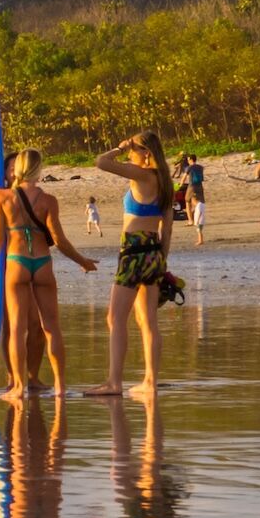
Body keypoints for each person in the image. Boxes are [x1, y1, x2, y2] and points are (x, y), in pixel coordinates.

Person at [0, 149, 98, 401]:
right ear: (38, 169)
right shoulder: (49, 201)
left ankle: (18, 388)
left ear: (17, 168)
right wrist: (82, 261)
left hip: (17, 262)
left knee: (18, 329)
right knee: (52, 327)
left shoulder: (3, 198)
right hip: (42, 263)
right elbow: (60, 241)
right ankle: (60, 387)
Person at [86, 133, 173, 398]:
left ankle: (114, 383)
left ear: (146, 151)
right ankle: (150, 381)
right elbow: (166, 230)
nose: (128, 150)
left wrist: (117, 147)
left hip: (134, 250)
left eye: (132, 146)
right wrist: (161, 265)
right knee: (147, 321)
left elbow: (101, 162)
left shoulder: (142, 174)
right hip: (154, 252)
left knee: (115, 318)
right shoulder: (165, 180)